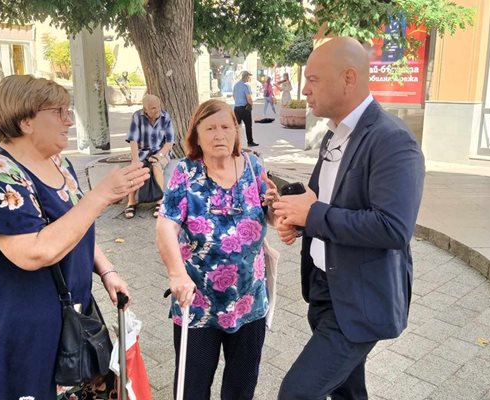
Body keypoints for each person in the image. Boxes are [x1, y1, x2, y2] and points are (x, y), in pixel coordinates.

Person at [0, 75, 150, 399]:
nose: (69, 120)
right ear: (26, 119)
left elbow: (75, 225)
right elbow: (34, 252)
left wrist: (106, 270)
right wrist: (101, 195)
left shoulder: (60, 163)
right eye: (59, 111)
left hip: (67, 320)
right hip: (18, 330)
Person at [273, 37, 425, 400]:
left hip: (360, 300)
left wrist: (313, 216)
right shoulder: (335, 134)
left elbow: (393, 228)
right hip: (326, 289)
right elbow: (323, 198)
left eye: (313, 80)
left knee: (296, 393)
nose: (304, 90)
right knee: (347, 392)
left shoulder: (392, 141)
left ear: (348, 79)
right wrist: (294, 210)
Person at [156, 99, 278, 400]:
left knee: (241, 386)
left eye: (226, 127)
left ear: (237, 132)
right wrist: (176, 274)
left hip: (248, 301)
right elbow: (166, 225)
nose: (219, 134)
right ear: (196, 135)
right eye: (210, 128)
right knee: (191, 388)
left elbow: (272, 216)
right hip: (198, 302)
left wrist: (279, 207)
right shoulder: (185, 172)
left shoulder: (254, 166)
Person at [125, 94, 175, 219]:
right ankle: (131, 202)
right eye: (153, 108)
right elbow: (133, 140)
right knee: (135, 169)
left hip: (162, 151)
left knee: (156, 166)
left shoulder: (165, 117)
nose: (157, 110)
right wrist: (135, 160)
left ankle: (160, 201)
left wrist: (159, 155)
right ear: (145, 109)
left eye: (158, 107)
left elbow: (169, 142)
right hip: (143, 152)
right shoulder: (137, 117)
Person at [233, 71, 258, 147]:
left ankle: (235, 143)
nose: (249, 78)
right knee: (248, 125)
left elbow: (234, 96)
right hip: (244, 108)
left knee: (236, 126)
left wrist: (238, 102)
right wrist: (251, 105)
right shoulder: (245, 86)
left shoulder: (236, 85)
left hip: (236, 108)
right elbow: (249, 98)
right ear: (246, 77)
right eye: (249, 77)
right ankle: (250, 142)